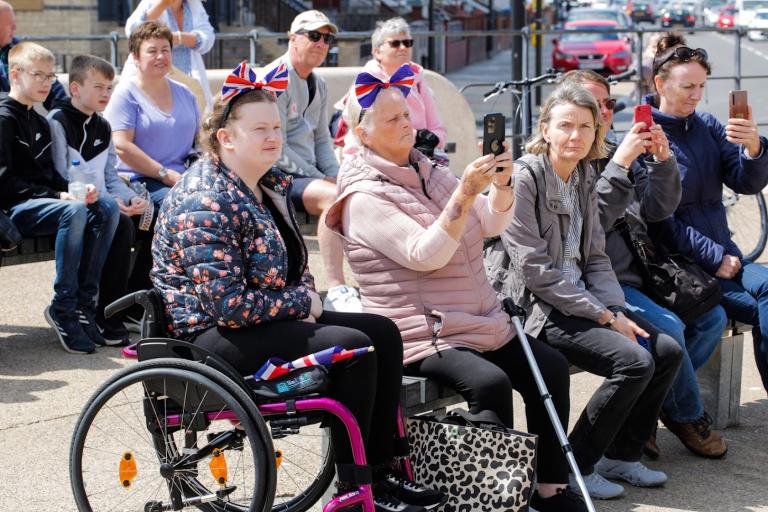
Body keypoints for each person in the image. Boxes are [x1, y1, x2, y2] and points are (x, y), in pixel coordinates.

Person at [150, 61, 445, 512]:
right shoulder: (202, 199)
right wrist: (300, 301)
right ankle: (355, 487)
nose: (273, 136)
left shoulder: (264, 183)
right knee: (354, 347)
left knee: (383, 332)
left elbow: (299, 236)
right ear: (226, 137)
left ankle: (384, 472)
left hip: (261, 318)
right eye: (259, 129)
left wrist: (303, 295)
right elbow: (228, 306)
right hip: (208, 339)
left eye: (276, 126)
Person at [326, 66, 587, 512]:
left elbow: (492, 222)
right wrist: (464, 195)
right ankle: (490, 497)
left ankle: (550, 488)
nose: (407, 124)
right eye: (392, 120)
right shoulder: (363, 196)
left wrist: (502, 186)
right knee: (491, 383)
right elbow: (424, 254)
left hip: (478, 318)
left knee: (550, 367)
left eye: (406, 114)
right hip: (422, 331)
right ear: (362, 135)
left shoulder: (428, 168)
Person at [485, 83, 683, 500]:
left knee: (664, 350)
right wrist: (606, 317)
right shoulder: (524, 178)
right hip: (533, 308)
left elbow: (595, 256)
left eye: (585, 127)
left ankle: (621, 455)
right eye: (565, 126)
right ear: (545, 129)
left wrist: (614, 307)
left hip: (584, 301)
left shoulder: (584, 175)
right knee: (633, 361)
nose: (575, 135)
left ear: (597, 132)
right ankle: (577, 464)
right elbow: (534, 271)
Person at [561, 70, 729, 460]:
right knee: (667, 328)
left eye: (607, 104)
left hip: (644, 267)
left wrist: (663, 160)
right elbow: (588, 233)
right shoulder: (567, 160)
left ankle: (651, 408)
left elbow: (657, 210)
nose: (602, 112)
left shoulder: (614, 149)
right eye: (591, 105)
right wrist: (618, 166)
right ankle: (687, 416)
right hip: (598, 281)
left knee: (712, 318)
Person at [643, 32, 768, 395]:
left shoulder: (709, 126)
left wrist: (754, 148)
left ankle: (665, 400)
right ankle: (663, 399)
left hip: (725, 259)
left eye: (701, 86)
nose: (696, 95)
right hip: (681, 269)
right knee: (728, 313)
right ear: (660, 83)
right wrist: (714, 257)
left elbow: (745, 183)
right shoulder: (645, 136)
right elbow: (659, 222)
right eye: (687, 87)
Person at [0, 42, 119, 354]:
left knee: (105, 206)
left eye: (50, 76)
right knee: (74, 212)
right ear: (15, 74)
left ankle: (84, 305)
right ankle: (62, 308)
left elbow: (52, 174)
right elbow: (4, 183)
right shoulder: (4, 118)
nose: (46, 83)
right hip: (14, 209)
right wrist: (59, 195)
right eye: (38, 75)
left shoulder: (38, 120)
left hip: (43, 202)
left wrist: (77, 189)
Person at [47, 55, 149, 346]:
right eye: (99, 87)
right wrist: (106, 199)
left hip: (103, 202)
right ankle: (85, 307)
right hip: (77, 203)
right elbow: (57, 175)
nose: (106, 94)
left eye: (109, 87)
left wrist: (129, 198)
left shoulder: (103, 125)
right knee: (115, 221)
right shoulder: (58, 120)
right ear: (76, 88)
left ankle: (109, 312)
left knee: (130, 223)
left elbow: (111, 175)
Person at [268, 10, 362, 313]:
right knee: (334, 197)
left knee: (359, 188)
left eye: (327, 38)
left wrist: (335, 173)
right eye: (314, 36)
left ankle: (374, 284)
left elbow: (322, 138)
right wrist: (322, 179)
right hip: (274, 174)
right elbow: (274, 146)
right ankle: (336, 287)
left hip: (305, 175)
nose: (321, 43)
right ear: (293, 38)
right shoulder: (275, 79)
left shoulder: (318, 83)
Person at [105, 20, 199, 314]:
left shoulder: (185, 92)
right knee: (175, 212)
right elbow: (121, 145)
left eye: (166, 49)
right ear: (135, 57)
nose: (161, 56)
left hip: (181, 178)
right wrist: (164, 174)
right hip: (138, 180)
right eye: (152, 51)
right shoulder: (125, 95)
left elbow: (200, 141)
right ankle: (135, 301)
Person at [337, 16, 446, 158]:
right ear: (377, 52)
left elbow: (438, 130)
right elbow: (364, 134)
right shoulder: (367, 83)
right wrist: (416, 137)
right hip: (374, 161)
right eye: (395, 43)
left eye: (407, 43)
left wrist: (431, 140)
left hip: (419, 159)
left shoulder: (418, 80)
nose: (403, 48)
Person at [124, 0, 215, 111]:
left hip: (188, 79)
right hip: (155, 78)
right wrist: (164, 4)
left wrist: (176, 37)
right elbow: (134, 32)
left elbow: (208, 39)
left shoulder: (194, 5)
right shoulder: (151, 3)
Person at [0, 0, 67, 110]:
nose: (15, 28)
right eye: (10, 24)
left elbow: (55, 93)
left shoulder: (18, 49)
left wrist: (64, 114)